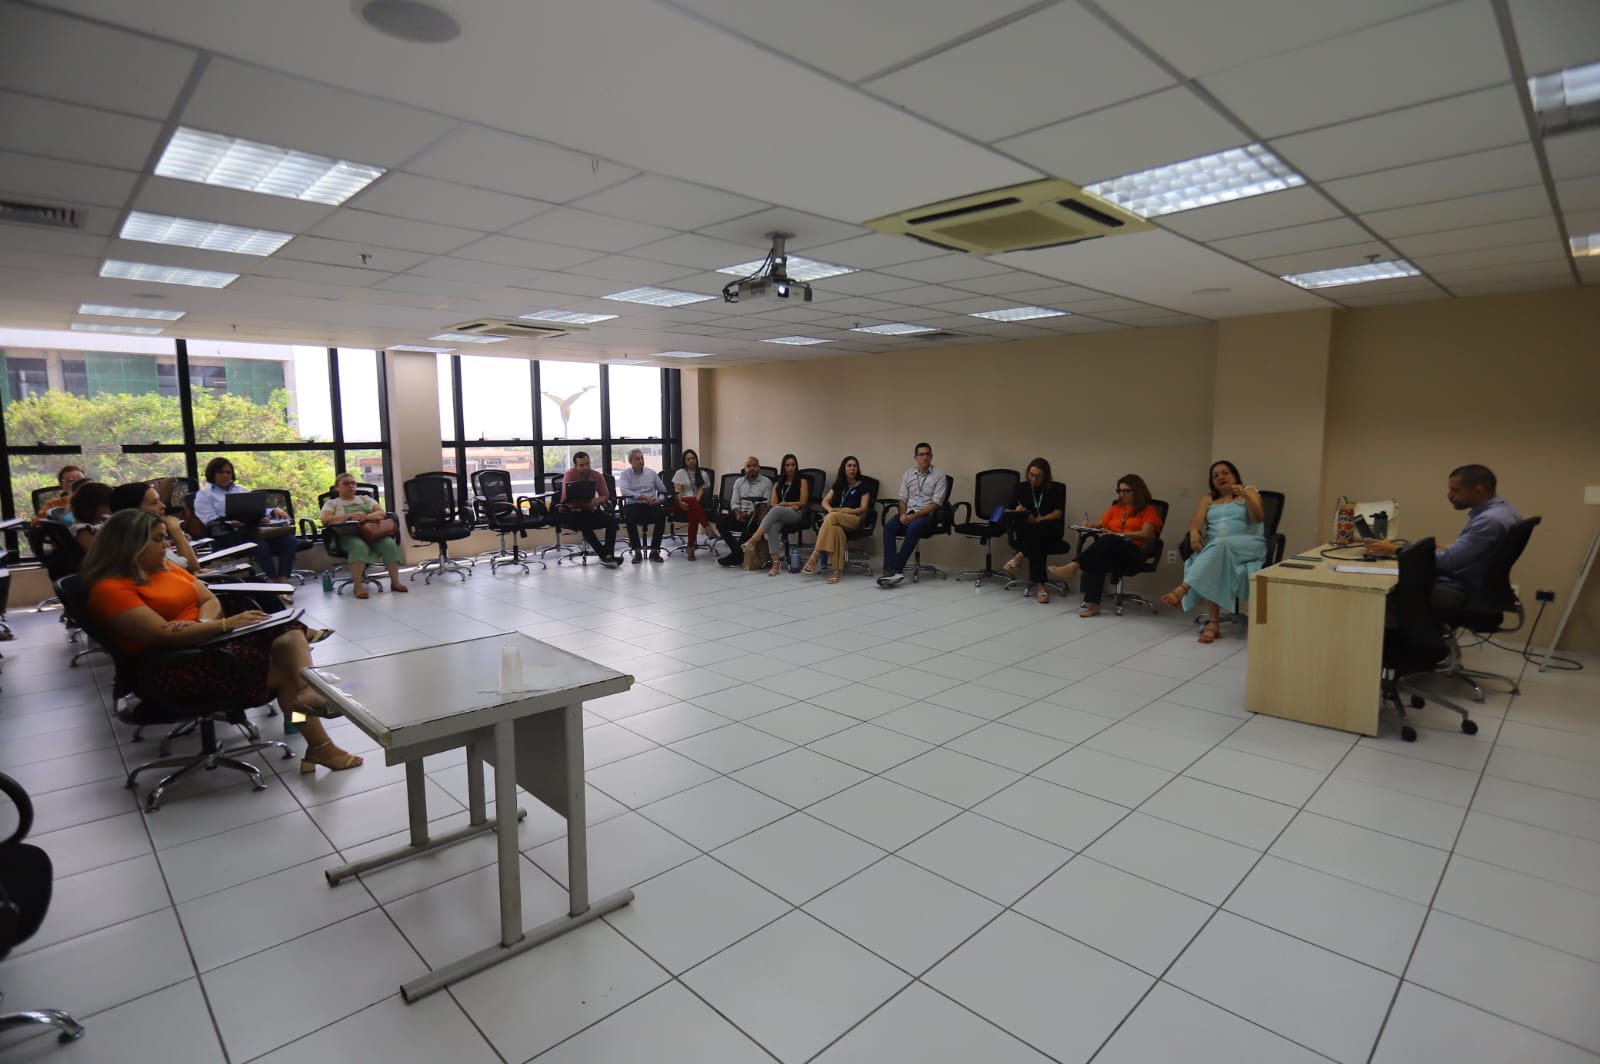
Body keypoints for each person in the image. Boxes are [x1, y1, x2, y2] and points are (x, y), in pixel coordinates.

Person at [82, 510, 361, 772]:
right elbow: (162, 636)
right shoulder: (111, 589)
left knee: (288, 643)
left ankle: (311, 712)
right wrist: (225, 624)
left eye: (165, 537)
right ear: (129, 544)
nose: (166, 544)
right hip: (171, 668)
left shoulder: (164, 567)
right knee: (288, 664)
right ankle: (315, 728)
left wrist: (202, 624)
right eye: (157, 539)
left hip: (206, 645)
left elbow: (209, 598)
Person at [1363, 464, 1521, 608]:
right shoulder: (1506, 512)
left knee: (1380, 596)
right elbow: (1477, 552)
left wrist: (1396, 550)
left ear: (1478, 490)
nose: (1449, 495)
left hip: (1461, 589)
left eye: (1455, 490)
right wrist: (1431, 549)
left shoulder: (1489, 520)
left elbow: (1447, 562)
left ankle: (1415, 631)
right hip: (1477, 585)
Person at [1161, 460, 1266, 644]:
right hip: (1217, 548)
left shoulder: (1249, 491)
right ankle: (1213, 623)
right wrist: (1194, 531)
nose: (1220, 477)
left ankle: (1184, 588)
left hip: (1248, 544)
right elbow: (1195, 521)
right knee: (1215, 555)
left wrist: (1246, 497)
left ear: (1234, 475)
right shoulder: (1208, 499)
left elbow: (1258, 518)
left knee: (1219, 546)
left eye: (1225, 473)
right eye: (1215, 475)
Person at [1052, 474, 1164, 618]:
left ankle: (1074, 565)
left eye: (1126, 491)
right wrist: (1089, 525)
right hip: (1113, 551)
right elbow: (1099, 525)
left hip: (1134, 553)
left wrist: (1118, 535)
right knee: (1098, 556)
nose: (1122, 494)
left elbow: (1146, 533)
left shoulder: (1149, 509)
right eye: (1120, 491)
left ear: (1138, 491)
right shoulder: (1116, 508)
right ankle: (1094, 606)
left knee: (1109, 539)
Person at [193, 457, 300, 580]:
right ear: (212, 474)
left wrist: (273, 510)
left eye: (228, 472)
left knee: (289, 540)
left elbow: (257, 509)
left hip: (252, 530)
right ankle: (274, 579)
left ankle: (283, 578)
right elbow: (209, 520)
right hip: (227, 535)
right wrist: (233, 522)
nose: (225, 475)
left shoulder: (240, 490)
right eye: (221, 472)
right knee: (259, 545)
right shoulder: (204, 495)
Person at [320, 474, 410, 598]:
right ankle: (358, 587)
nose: (351, 486)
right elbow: (325, 519)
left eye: (353, 483)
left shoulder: (365, 499)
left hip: (372, 534)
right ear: (337, 487)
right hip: (346, 536)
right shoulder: (332, 503)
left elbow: (381, 513)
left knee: (389, 544)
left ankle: (395, 582)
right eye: (346, 483)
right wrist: (350, 516)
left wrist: (365, 518)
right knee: (358, 546)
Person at [878, 442, 948, 588]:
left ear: (931, 456)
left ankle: (896, 570)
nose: (925, 457)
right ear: (915, 457)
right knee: (889, 527)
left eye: (927, 454)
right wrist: (903, 514)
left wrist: (915, 516)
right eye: (921, 454)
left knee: (914, 527)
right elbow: (902, 499)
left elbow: (936, 503)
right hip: (908, 512)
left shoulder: (939, 475)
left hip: (928, 516)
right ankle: (889, 569)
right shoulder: (908, 474)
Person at [998, 459, 1065, 603]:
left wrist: (1039, 519)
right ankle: (1041, 586)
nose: (1033, 479)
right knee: (1036, 540)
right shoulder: (1021, 488)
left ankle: (1019, 556)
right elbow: (1007, 509)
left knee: (1040, 530)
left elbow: (1058, 513)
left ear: (1045, 476)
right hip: (1027, 529)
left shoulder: (1055, 489)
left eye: (1038, 476)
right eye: (1031, 474)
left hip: (1050, 529)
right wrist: (1018, 510)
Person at [804, 456, 873, 584]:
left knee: (831, 517)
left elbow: (863, 508)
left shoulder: (863, 485)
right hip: (837, 518)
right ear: (844, 468)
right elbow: (824, 501)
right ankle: (837, 571)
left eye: (855, 466)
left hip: (854, 519)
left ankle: (816, 554)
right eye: (849, 466)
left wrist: (844, 511)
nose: (852, 468)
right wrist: (831, 510)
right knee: (836, 530)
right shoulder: (839, 485)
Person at [110, 481, 203, 573]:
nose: (163, 506)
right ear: (134, 511)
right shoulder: (139, 544)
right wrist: (175, 530)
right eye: (154, 503)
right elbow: (191, 567)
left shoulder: (120, 538)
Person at [747, 454, 810, 576]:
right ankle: (776, 564)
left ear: (796, 466)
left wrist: (786, 504)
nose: (790, 467)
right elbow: (773, 503)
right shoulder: (778, 483)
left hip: (796, 513)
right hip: (781, 513)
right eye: (787, 465)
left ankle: (754, 538)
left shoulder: (802, 481)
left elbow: (803, 502)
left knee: (776, 510)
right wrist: (785, 506)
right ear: (783, 467)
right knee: (772, 527)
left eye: (793, 465)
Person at [557, 452, 623, 568]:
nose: (585, 467)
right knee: (585, 524)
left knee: (611, 521)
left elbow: (605, 494)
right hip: (571, 511)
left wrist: (598, 501)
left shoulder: (596, 475)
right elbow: (567, 498)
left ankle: (608, 554)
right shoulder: (570, 475)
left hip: (590, 509)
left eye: (587, 464)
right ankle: (605, 555)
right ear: (575, 466)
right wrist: (586, 503)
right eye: (581, 465)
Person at [716, 457, 773, 568]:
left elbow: (765, 505)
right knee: (721, 522)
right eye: (749, 466)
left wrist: (749, 514)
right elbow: (734, 502)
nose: (752, 468)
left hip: (756, 516)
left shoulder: (767, 482)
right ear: (744, 469)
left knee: (749, 525)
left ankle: (735, 556)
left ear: (759, 468)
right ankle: (737, 553)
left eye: (754, 466)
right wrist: (738, 513)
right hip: (740, 514)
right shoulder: (738, 482)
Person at [616, 448, 668, 563]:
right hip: (634, 504)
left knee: (661, 514)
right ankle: (637, 551)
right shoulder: (625, 474)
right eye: (637, 459)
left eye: (642, 458)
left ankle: (654, 550)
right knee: (630, 517)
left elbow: (663, 491)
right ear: (630, 461)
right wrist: (642, 496)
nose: (641, 461)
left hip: (651, 505)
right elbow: (624, 491)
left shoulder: (651, 473)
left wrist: (659, 500)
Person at [671, 449, 712, 560]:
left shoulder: (702, 474)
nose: (691, 461)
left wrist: (694, 504)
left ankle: (690, 548)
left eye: (693, 458)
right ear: (684, 461)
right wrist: (681, 503)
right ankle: (707, 526)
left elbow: (700, 491)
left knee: (693, 516)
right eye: (688, 459)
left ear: (696, 460)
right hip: (680, 502)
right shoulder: (680, 473)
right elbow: (678, 491)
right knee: (692, 505)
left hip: (695, 504)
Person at [69, 482, 113, 554]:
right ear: (92, 507)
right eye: (108, 505)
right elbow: (97, 555)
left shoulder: (98, 524)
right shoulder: (82, 530)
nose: (111, 508)